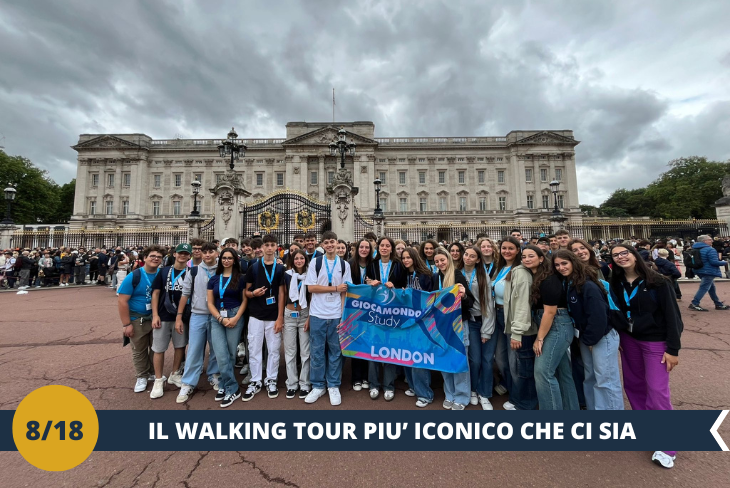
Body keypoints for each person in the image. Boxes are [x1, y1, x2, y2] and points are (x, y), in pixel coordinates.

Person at [608, 244, 683, 468]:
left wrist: (673, 349)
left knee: (658, 390)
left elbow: (673, 317)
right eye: (616, 255)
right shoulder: (617, 283)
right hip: (630, 340)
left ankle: (668, 445)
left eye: (624, 253)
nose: (621, 258)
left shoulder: (658, 281)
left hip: (655, 341)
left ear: (634, 255)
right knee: (634, 385)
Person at [552, 250, 623, 410]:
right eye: (557, 265)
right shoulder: (571, 282)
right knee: (590, 377)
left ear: (573, 263)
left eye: (564, 263)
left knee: (606, 379)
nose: (561, 267)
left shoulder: (587, 284)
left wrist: (591, 339)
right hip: (587, 336)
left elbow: (598, 315)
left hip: (600, 336)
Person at [523, 245, 579, 410]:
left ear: (541, 259)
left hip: (556, 326)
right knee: (563, 374)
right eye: (524, 256)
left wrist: (539, 339)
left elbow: (550, 312)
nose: (526, 259)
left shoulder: (549, 279)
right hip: (551, 325)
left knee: (543, 373)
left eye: (531, 256)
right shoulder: (539, 277)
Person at [304, 231, 352, 406]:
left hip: (336, 314)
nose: (330, 245)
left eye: (332, 242)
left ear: (337, 242)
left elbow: (345, 291)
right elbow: (311, 288)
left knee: (335, 351)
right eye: (327, 242)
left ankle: (333, 385)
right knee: (316, 351)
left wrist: (343, 315)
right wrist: (334, 288)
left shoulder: (344, 264)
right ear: (322, 245)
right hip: (318, 313)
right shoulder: (316, 263)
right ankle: (318, 385)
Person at [175, 242, 220, 403]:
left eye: (210, 251)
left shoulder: (222, 270)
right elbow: (185, 294)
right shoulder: (193, 271)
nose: (207, 254)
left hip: (217, 315)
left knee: (216, 347)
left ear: (216, 253)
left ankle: (214, 374)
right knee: (194, 349)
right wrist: (179, 317)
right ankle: (188, 382)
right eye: (204, 252)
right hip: (198, 314)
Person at [242, 235, 285, 401]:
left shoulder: (280, 268)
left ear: (276, 247)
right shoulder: (254, 266)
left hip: (273, 315)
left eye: (272, 245)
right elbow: (246, 291)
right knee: (254, 348)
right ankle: (255, 380)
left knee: (273, 350)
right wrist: (253, 293)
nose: (268, 248)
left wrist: (280, 317)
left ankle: (271, 379)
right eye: (266, 245)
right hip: (256, 314)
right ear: (262, 247)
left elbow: (282, 294)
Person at [118, 245, 165, 393]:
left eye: (158, 257)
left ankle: (151, 372)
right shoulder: (134, 275)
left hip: (156, 316)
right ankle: (141, 376)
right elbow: (122, 301)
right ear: (145, 258)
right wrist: (126, 324)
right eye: (152, 256)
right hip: (137, 317)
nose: (155, 259)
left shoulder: (162, 274)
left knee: (155, 348)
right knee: (139, 349)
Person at [433, 247, 474, 410]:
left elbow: (470, 301)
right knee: (444, 358)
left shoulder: (457, 275)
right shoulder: (436, 277)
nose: (440, 263)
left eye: (442, 260)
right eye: (437, 261)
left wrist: (463, 295)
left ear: (448, 259)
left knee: (459, 359)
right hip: (441, 325)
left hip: (458, 324)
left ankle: (462, 396)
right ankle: (449, 393)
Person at [366, 236, 407, 401]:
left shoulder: (398, 266)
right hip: (375, 313)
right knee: (374, 349)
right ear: (378, 247)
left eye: (387, 246)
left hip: (392, 313)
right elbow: (366, 284)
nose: (384, 248)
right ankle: (374, 384)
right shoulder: (372, 265)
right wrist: (370, 282)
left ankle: (389, 385)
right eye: (382, 245)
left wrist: (395, 287)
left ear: (391, 249)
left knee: (390, 349)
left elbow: (404, 287)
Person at [149, 243, 191, 399]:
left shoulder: (191, 272)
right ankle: (159, 379)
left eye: (186, 253)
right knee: (159, 348)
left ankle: (174, 373)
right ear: (175, 254)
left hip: (182, 316)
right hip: (163, 314)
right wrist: (155, 315)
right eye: (180, 253)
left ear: (189, 256)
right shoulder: (164, 271)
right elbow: (156, 294)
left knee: (180, 346)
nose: (183, 255)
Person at [207, 248, 248, 407]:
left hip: (235, 315)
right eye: (224, 258)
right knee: (220, 353)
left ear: (234, 260)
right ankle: (233, 388)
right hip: (217, 317)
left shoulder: (240, 278)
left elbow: (244, 301)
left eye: (230, 258)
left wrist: (236, 318)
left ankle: (224, 384)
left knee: (231, 354)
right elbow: (210, 302)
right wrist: (219, 318)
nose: (226, 260)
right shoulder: (214, 279)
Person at [461, 246, 496, 410]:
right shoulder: (457, 273)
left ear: (478, 260)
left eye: (472, 256)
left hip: (485, 320)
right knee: (474, 360)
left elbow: (489, 304)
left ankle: (485, 393)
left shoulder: (483, 276)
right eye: (466, 254)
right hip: (470, 321)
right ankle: (473, 389)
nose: (467, 257)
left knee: (487, 360)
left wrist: (487, 330)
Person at [400, 247, 435, 407]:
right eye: (403, 258)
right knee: (407, 355)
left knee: (419, 358)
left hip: (422, 321)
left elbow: (430, 296)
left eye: (408, 257)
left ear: (414, 258)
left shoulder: (425, 275)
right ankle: (414, 386)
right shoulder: (405, 274)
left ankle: (425, 394)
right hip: (408, 320)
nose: (406, 260)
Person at [283, 248, 312, 399]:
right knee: (290, 351)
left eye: (301, 258)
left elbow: (312, 297)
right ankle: (292, 383)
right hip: (289, 315)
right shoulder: (287, 275)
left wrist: (309, 318)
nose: (299, 261)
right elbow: (282, 294)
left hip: (304, 314)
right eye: (296, 258)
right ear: (292, 261)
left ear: (305, 260)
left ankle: (304, 383)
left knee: (305, 352)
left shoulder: (310, 275)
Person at [348, 238, 374, 392]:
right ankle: (357, 377)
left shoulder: (373, 265)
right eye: (361, 247)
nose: (364, 250)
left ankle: (366, 377)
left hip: (370, 308)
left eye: (367, 247)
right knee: (356, 341)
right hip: (354, 308)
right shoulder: (350, 264)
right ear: (357, 249)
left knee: (368, 342)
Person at [688, 235, 730, 312]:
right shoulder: (710, 249)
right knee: (704, 287)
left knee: (711, 288)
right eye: (710, 240)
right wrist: (725, 262)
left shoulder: (695, 248)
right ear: (704, 241)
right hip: (709, 271)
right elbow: (714, 262)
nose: (712, 241)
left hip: (699, 270)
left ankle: (718, 304)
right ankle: (694, 303)